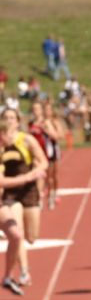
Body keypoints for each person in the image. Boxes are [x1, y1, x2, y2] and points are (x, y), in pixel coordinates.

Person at [1, 108, 47, 290]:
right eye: (6, 118)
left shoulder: (26, 140)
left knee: (32, 237)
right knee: (16, 231)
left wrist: (36, 172)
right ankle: (24, 272)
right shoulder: (1, 143)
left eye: (12, 118)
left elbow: (42, 161)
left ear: (18, 121)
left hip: (28, 190)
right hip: (9, 193)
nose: (9, 121)